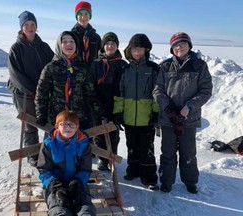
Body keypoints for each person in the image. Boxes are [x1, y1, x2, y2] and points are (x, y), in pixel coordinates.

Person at [153, 32, 213, 194]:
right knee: (168, 152)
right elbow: (158, 90)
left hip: (189, 119)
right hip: (168, 118)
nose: (179, 47)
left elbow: (206, 90)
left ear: (189, 46)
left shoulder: (199, 66)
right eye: (176, 45)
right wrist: (169, 108)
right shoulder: (165, 66)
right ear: (172, 49)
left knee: (188, 152)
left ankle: (190, 181)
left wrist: (189, 107)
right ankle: (166, 181)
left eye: (183, 44)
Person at [7, 11, 54, 166]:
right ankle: (33, 155)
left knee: (49, 122)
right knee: (30, 124)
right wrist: (31, 90)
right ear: (22, 28)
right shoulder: (16, 49)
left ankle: (48, 151)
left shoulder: (44, 47)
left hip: (42, 92)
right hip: (23, 94)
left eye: (33, 24)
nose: (30, 27)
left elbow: (53, 66)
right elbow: (15, 75)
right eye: (26, 24)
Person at [113, 33, 160, 190]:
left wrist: (155, 112)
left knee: (147, 148)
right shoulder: (125, 70)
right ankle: (133, 170)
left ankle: (149, 177)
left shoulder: (154, 69)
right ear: (129, 50)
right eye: (134, 49)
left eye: (140, 49)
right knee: (131, 145)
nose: (137, 52)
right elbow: (120, 93)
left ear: (146, 50)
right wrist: (118, 113)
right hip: (129, 116)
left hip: (146, 117)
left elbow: (158, 93)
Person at [35, 31, 104, 130]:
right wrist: (41, 114)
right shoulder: (51, 68)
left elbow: (90, 94)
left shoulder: (83, 68)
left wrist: (100, 111)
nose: (69, 44)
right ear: (59, 45)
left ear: (76, 45)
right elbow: (42, 93)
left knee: (82, 145)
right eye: (65, 41)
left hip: (79, 120)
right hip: (57, 119)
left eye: (72, 41)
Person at [37, 110, 96, 216]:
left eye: (71, 125)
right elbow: (44, 170)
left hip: (77, 184)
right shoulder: (49, 145)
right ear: (57, 126)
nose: (68, 128)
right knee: (59, 209)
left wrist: (77, 183)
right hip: (55, 185)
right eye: (63, 124)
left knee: (85, 208)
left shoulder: (84, 145)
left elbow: (85, 169)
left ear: (77, 127)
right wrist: (55, 185)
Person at [90, 32, 127, 170]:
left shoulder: (122, 64)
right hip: (98, 103)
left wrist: (120, 108)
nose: (110, 46)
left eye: (113, 44)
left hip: (116, 103)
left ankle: (111, 156)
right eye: (107, 44)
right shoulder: (96, 64)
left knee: (113, 133)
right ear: (103, 46)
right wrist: (96, 105)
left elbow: (124, 87)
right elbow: (90, 86)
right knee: (99, 134)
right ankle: (102, 159)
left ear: (117, 46)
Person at [71, 1, 101, 67]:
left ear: (90, 16)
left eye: (86, 14)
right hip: (75, 74)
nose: (83, 17)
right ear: (76, 16)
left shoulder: (96, 37)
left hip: (93, 74)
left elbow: (101, 57)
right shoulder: (71, 36)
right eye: (80, 14)